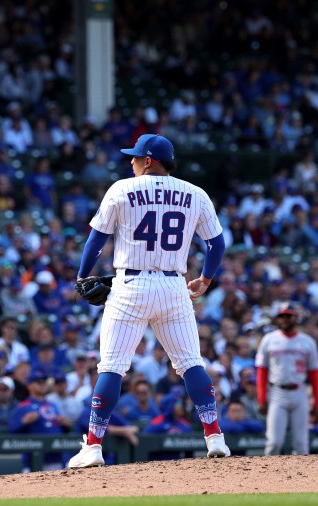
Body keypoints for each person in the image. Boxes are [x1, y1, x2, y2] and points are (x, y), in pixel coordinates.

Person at [68, 134, 230, 468]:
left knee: (112, 366)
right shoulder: (195, 194)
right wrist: (206, 278)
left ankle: (94, 446)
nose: (131, 161)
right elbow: (217, 244)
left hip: (131, 285)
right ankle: (215, 438)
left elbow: (96, 240)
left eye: (135, 157)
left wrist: (83, 276)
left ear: (148, 161)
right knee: (190, 363)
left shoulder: (121, 188)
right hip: (174, 286)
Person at [256, 302, 318, 455]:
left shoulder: (307, 342)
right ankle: (266, 478)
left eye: (288, 316)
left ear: (296, 318)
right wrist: (261, 398)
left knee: (301, 444)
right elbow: (262, 371)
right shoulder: (269, 340)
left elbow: (314, 374)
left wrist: (317, 402)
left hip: (300, 392)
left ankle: (304, 479)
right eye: (282, 316)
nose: (285, 319)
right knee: (274, 442)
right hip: (277, 393)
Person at [9, 370, 72, 471]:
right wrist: (23, 422)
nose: (42, 384)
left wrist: (67, 425)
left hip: (57, 459)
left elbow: (65, 430)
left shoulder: (53, 405)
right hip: (34, 461)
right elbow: (11, 432)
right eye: (38, 382)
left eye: (44, 382)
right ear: (29, 385)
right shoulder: (23, 406)